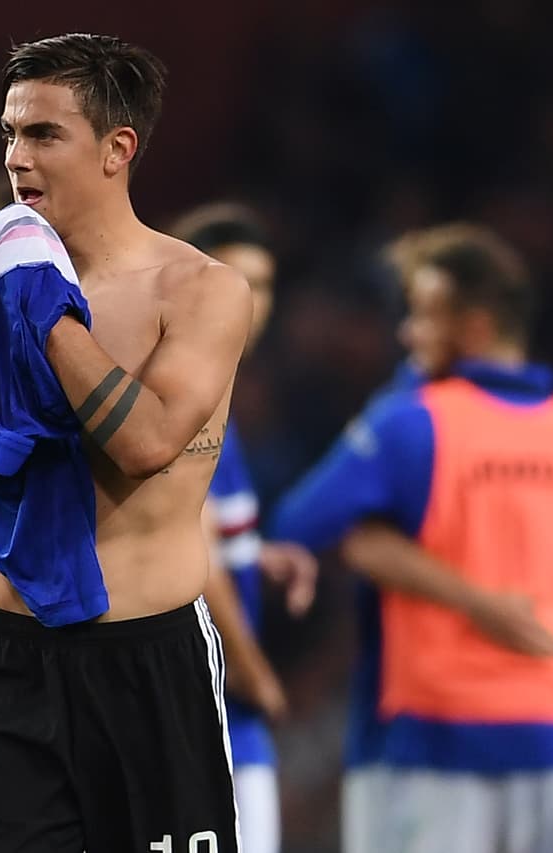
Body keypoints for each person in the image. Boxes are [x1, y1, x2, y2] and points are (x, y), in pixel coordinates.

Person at [0, 34, 252, 853]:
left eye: (44, 135)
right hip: (8, 666)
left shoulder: (201, 292)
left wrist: (44, 315)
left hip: (151, 666)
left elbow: (146, 441)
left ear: (116, 149)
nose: (17, 158)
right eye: (10, 134)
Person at [272, 225, 553, 852]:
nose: (406, 335)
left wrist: (376, 547)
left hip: (431, 734)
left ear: (471, 327)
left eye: (420, 316)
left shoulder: (413, 419)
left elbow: (298, 523)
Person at [172, 202, 318, 853]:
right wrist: (257, 674)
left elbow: (202, 534)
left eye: (263, 284)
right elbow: (189, 550)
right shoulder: (182, 391)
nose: (251, 301)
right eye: (236, 280)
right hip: (200, 703)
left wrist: (256, 554)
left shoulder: (219, 390)